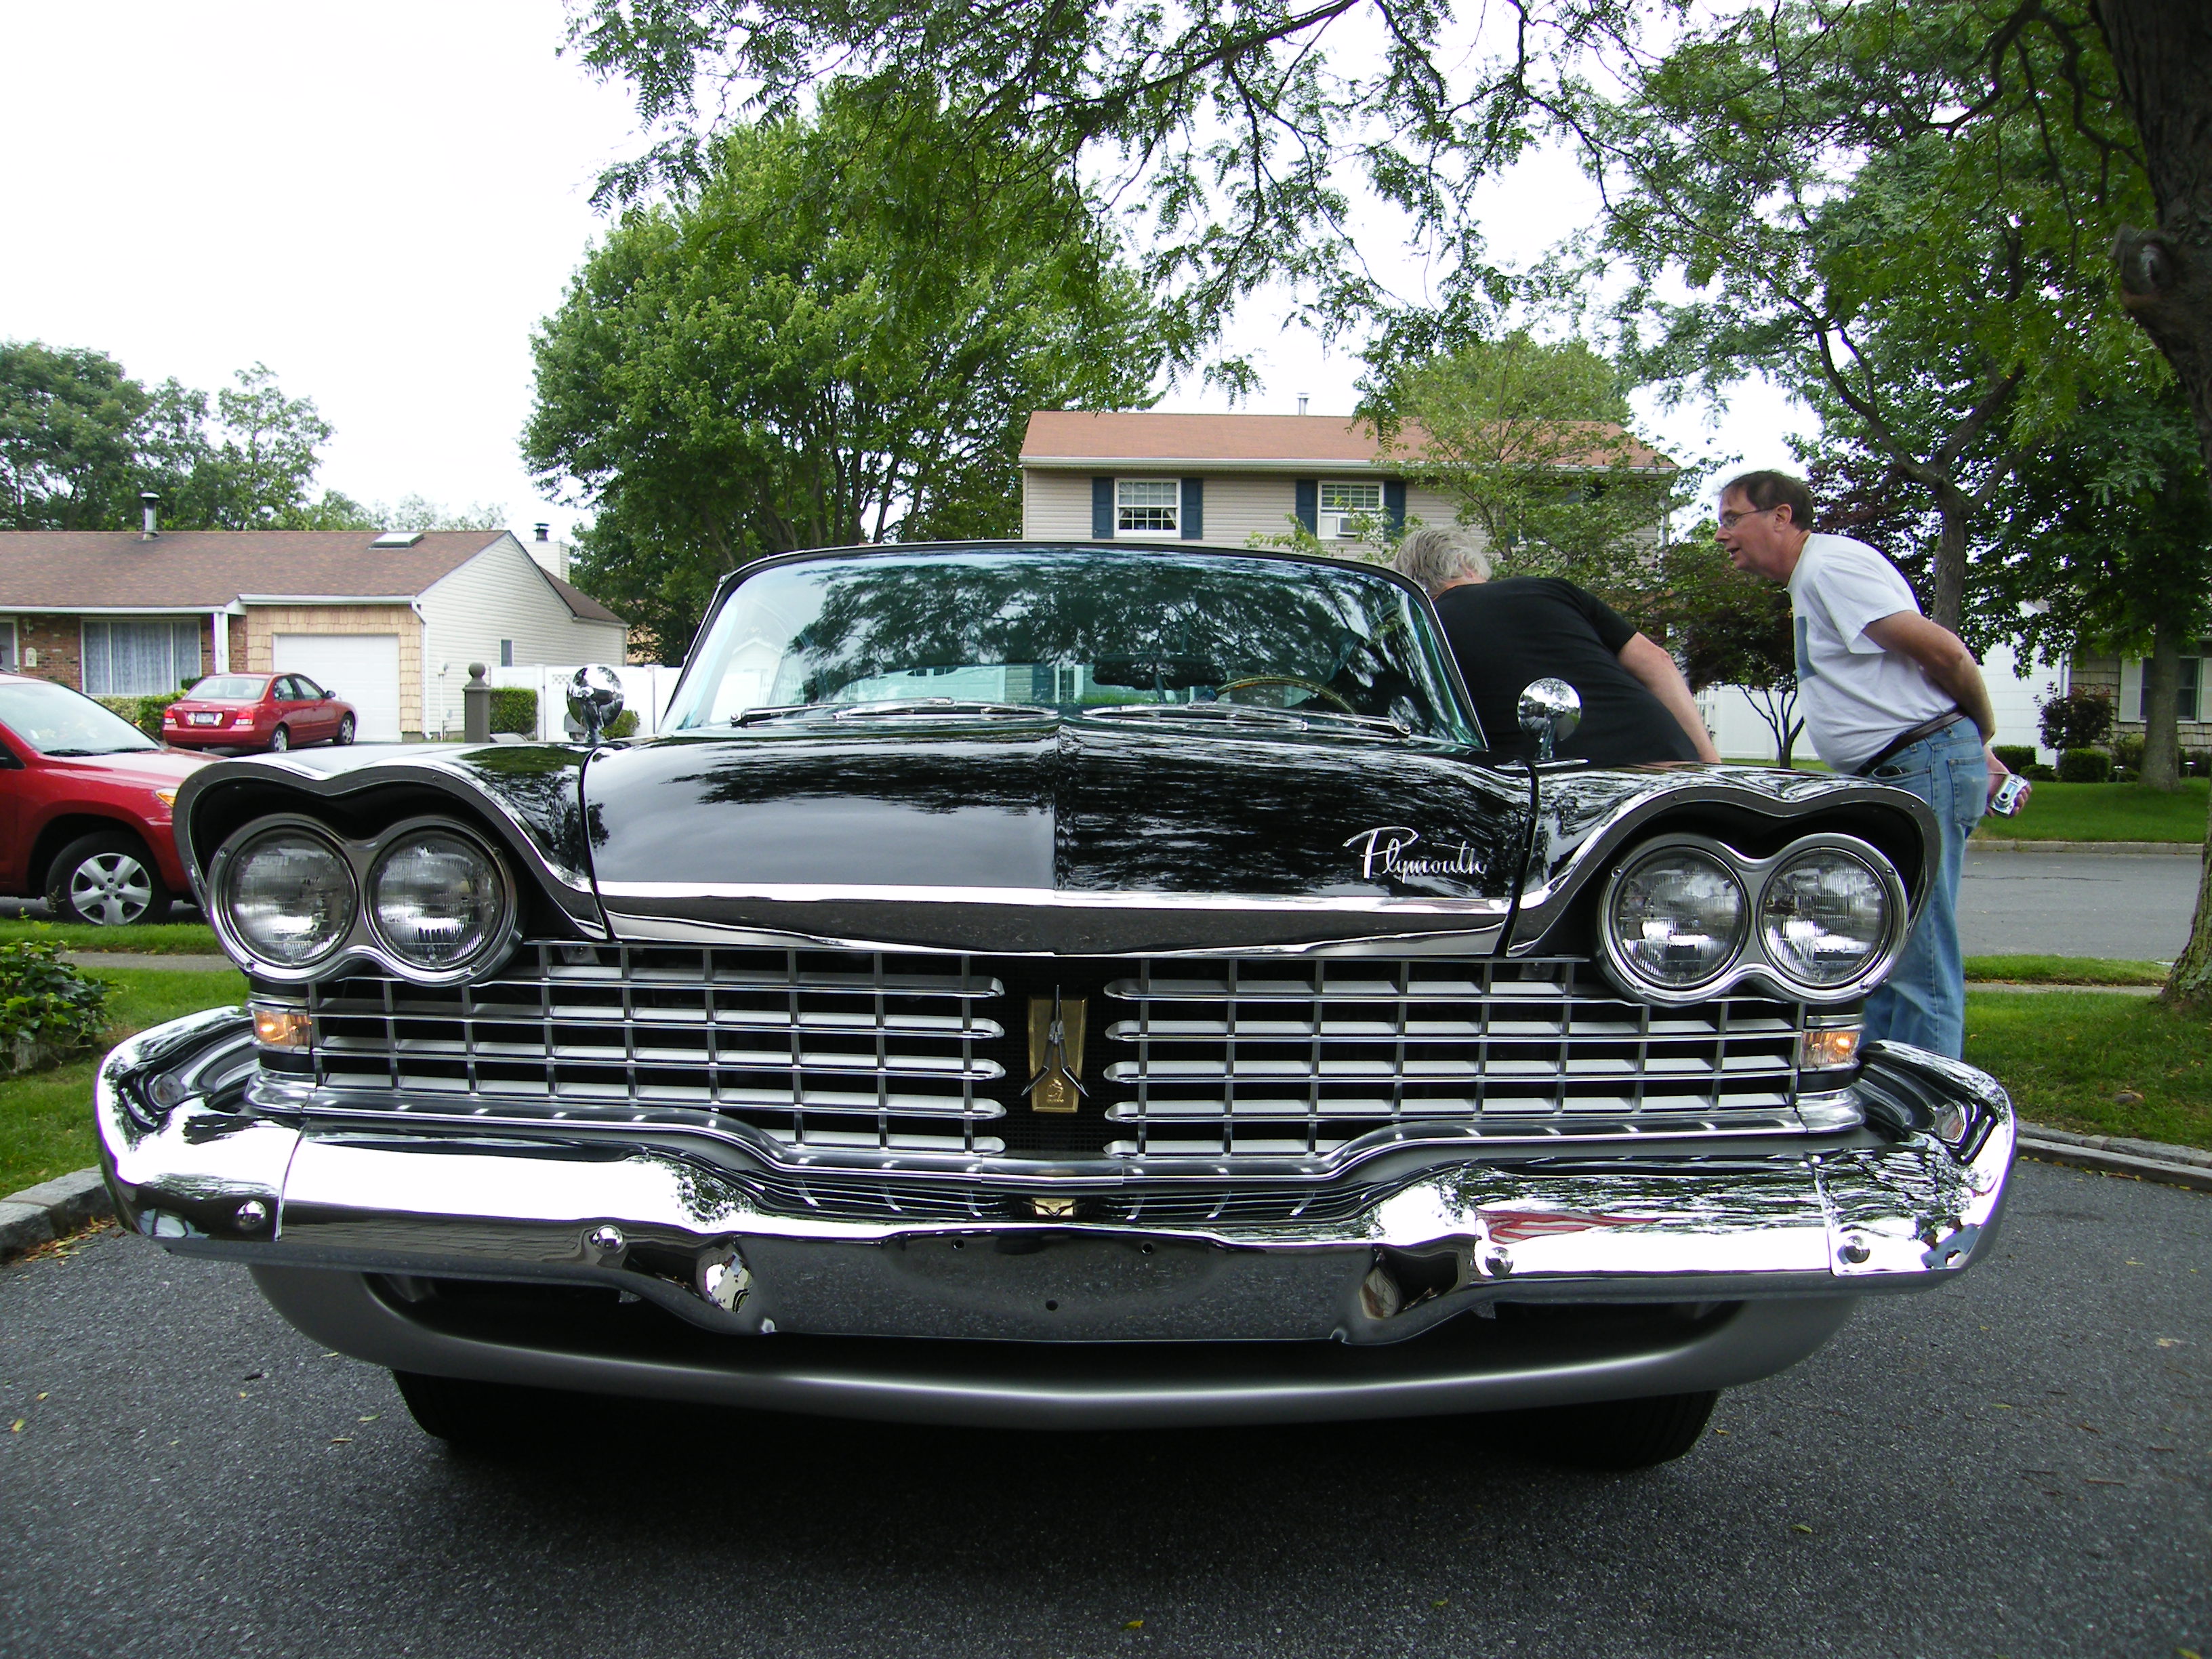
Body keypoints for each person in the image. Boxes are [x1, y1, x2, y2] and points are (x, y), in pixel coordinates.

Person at [1714, 469, 2025, 1059]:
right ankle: (1876, 1085)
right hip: (1902, 768)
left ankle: (1932, 1106)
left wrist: (1980, 735)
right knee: (1883, 947)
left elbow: (1945, 653)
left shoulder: (1831, 568)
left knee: (1919, 956)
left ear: (1781, 516)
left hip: (1919, 764)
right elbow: (1909, 681)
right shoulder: (1814, 576)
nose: (1721, 534)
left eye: (1733, 518)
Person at [1392, 526, 1721, 767]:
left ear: (1412, 583)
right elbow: (1657, 661)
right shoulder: (1551, 590)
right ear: (1468, 565)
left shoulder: (1419, 631)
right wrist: (1711, 764)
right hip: (1663, 756)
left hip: (1556, 782)